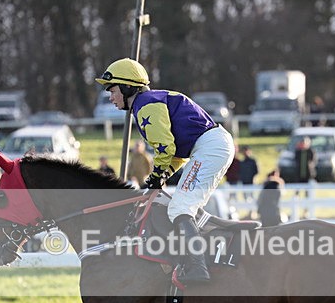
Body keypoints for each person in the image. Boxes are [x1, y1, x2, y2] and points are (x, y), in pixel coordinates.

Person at [96, 58, 235, 283]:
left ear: (127, 87)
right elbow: (177, 156)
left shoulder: (145, 106)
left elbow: (165, 148)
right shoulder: (148, 102)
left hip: (210, 147)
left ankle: (197, 268)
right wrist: (159, 177)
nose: (110, 98)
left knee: (180, 207)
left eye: (112, 90)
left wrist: (156, 176)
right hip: (211, 145)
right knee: (181, 205)